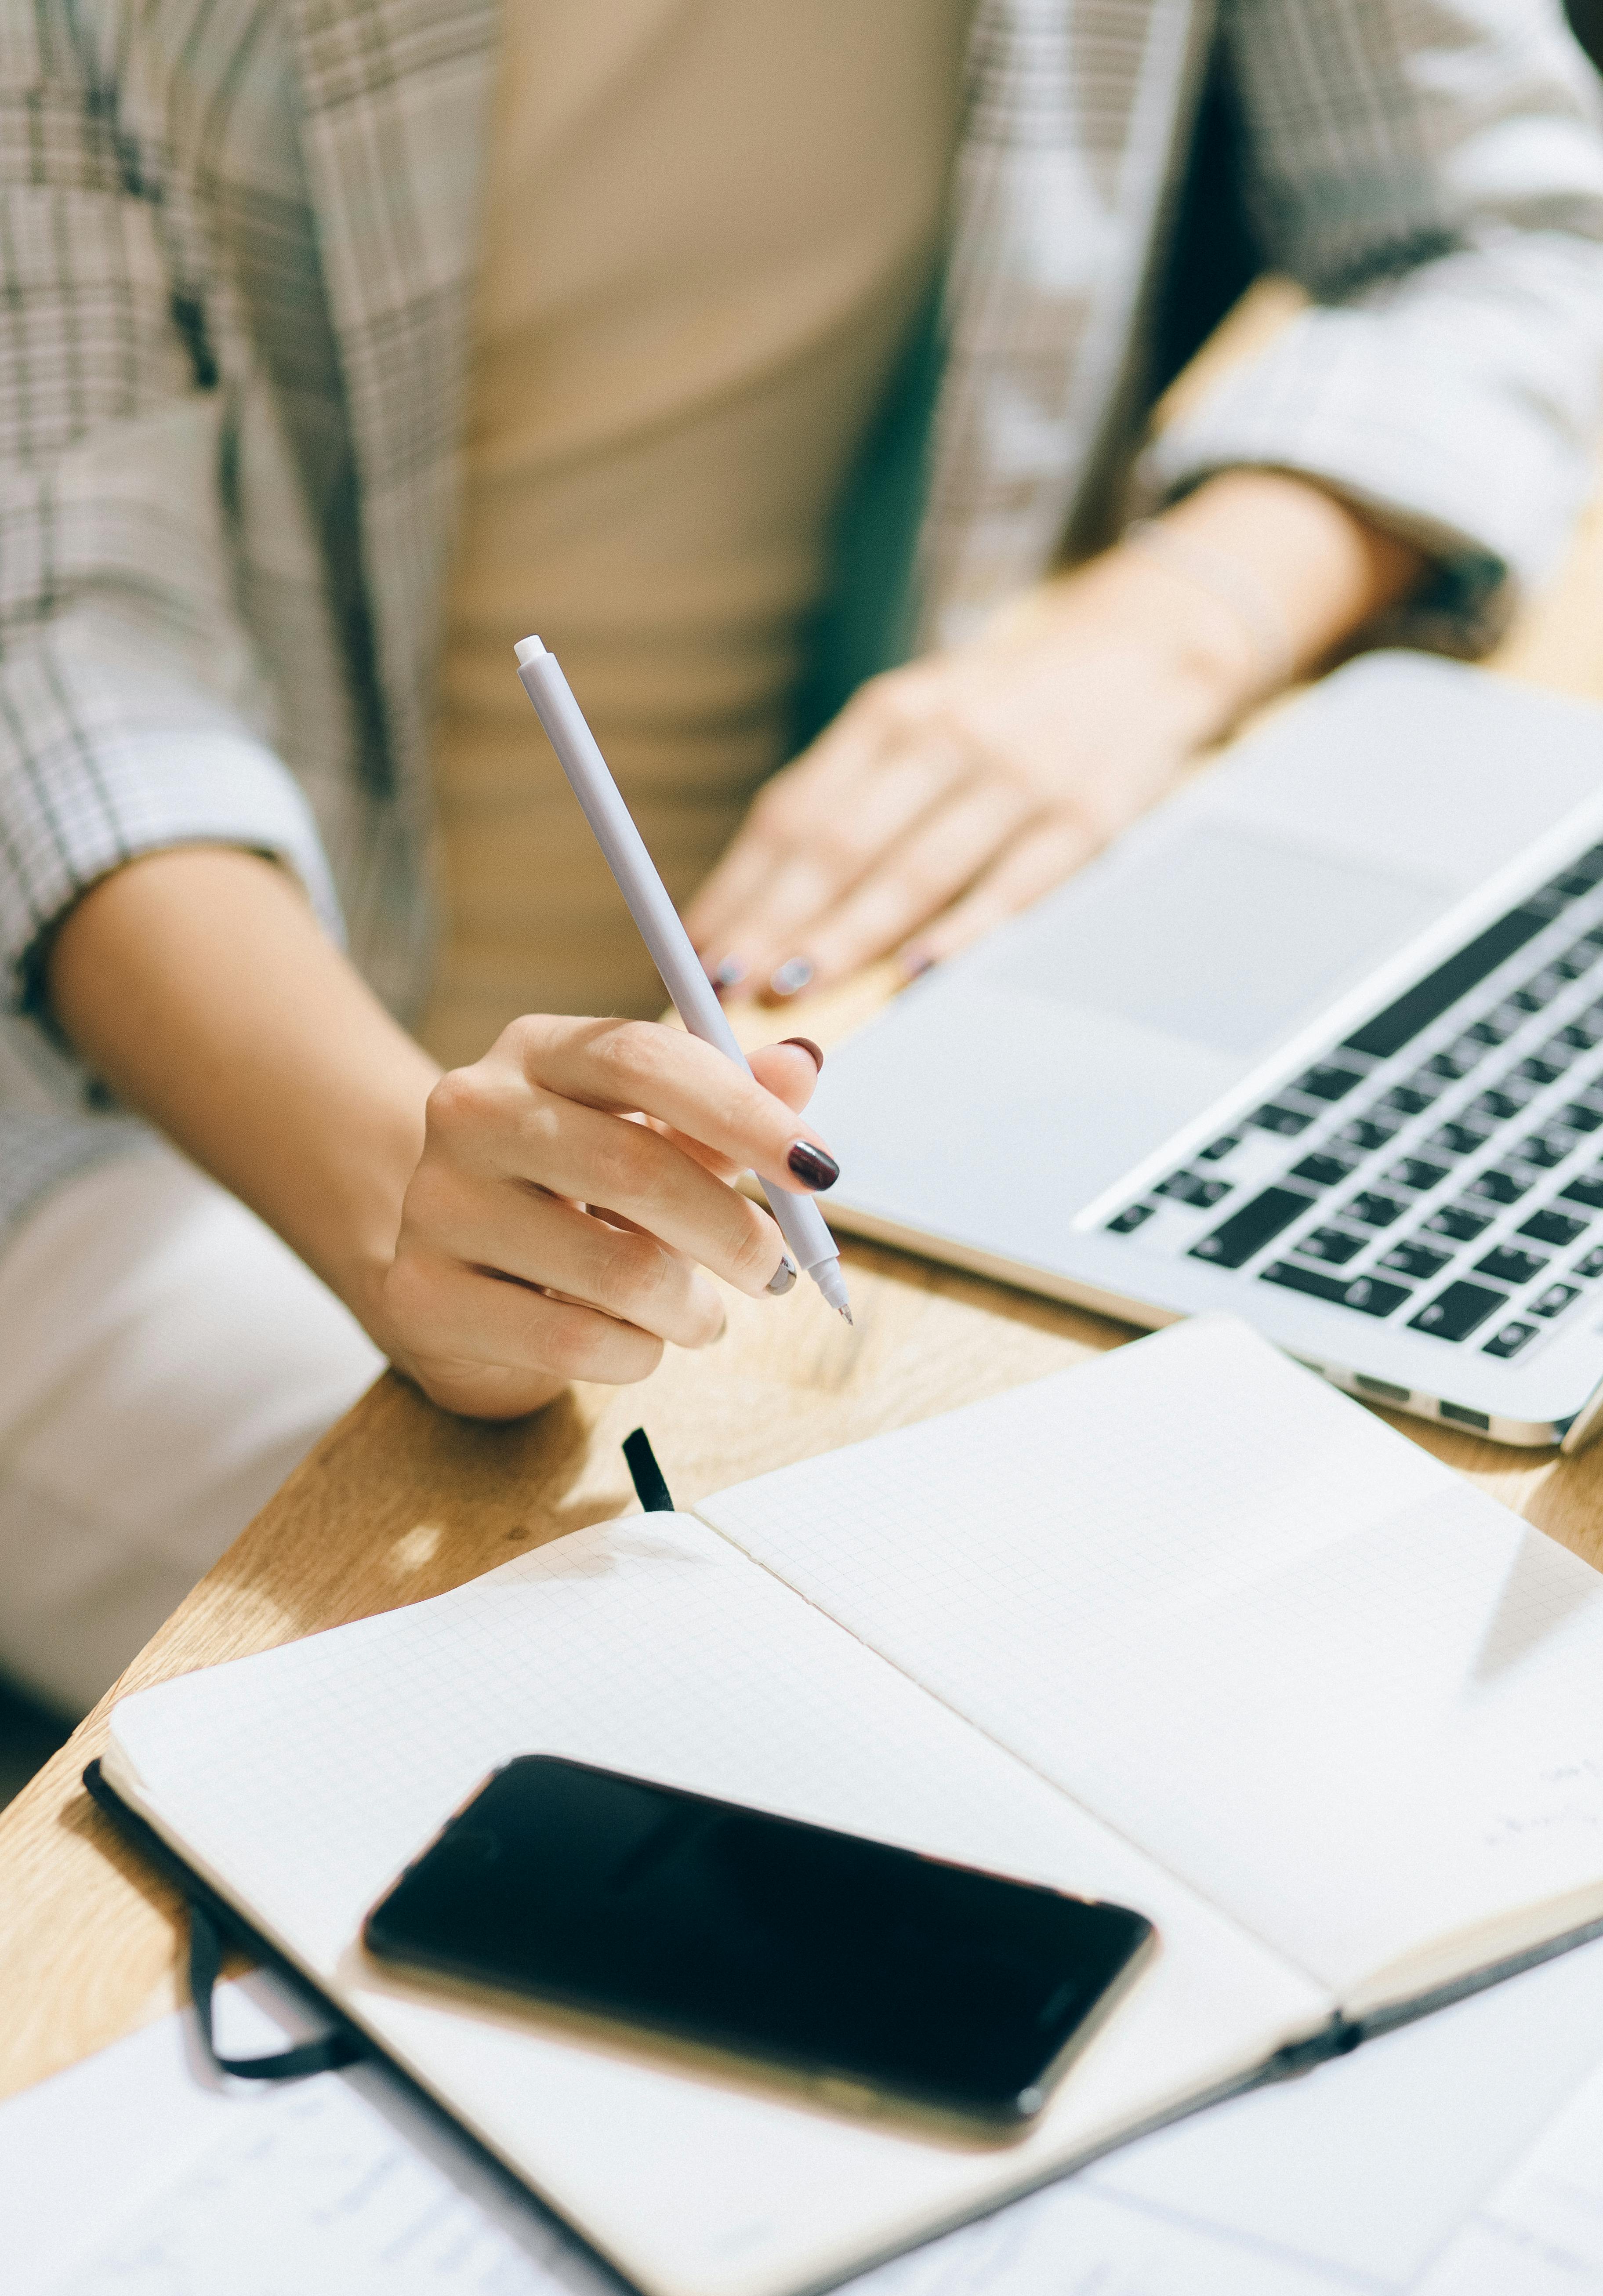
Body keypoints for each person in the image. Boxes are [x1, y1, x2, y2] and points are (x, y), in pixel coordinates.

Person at [2, 0, 1602, 1716]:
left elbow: (1509, 229)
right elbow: (59, 649)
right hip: (177, 1088)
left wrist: (1154, 642)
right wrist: (401, 1190)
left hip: (868, 1005)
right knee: (743, 1708)